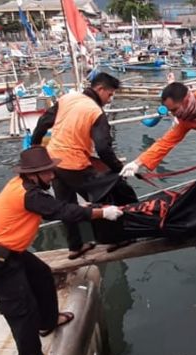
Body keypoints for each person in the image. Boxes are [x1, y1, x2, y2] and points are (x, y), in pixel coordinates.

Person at [0, 146, 123, 355]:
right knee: (21, 309)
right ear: (33, 175)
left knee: (41, 274)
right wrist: (101, 213)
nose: (52, 175)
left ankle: (47, 321)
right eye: (47, 172)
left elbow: (54, 207)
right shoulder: (28, 194)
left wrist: (85, 207)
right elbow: (63, 212)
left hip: (11, 251)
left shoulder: (24, 187)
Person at [31, 72, 125, 259]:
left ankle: (75, 246)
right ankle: (114, 239)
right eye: (110, 94)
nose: (109, 99)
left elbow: (43, 123)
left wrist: (35, 147)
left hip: (53, 161)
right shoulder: (95, 111)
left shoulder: (67, 98)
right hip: (74, 164)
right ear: (100, 89)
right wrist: (117, 169)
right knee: (103, 195)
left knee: (66, 205)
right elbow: (103, 148)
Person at [119, 81, 196, 177]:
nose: (175, 115)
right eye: (171, 111)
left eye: (175, 110)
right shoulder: (186, 120)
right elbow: (166, 142)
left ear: (186, 101)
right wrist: (137, 163)